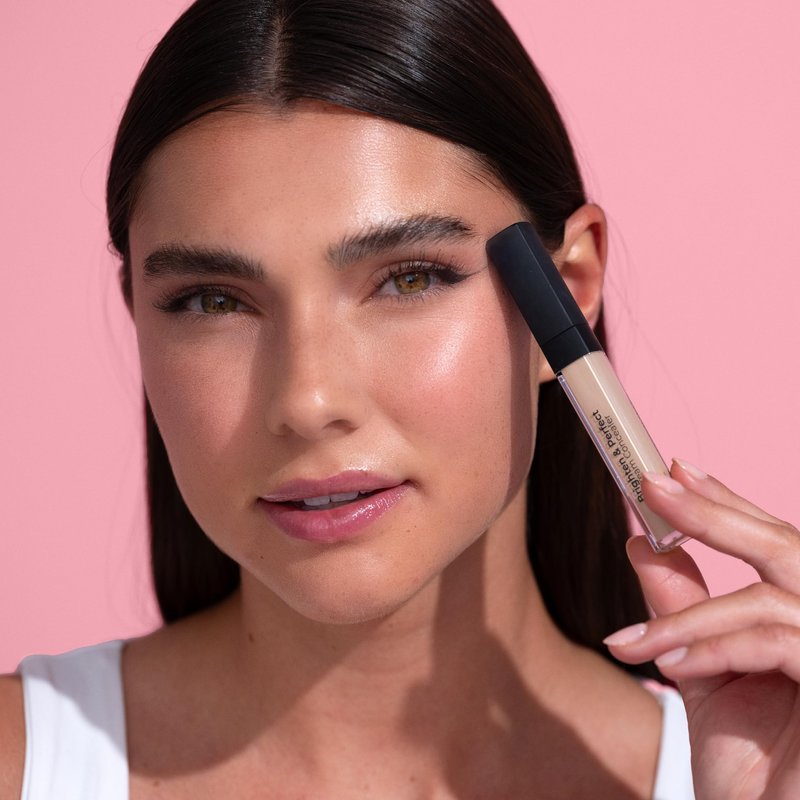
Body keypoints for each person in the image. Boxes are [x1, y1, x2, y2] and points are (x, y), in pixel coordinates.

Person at [1, 0, 799, 797]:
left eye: (410, 279)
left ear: (569, 289)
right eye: (214, 301)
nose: (308, 400)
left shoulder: (753, 768)